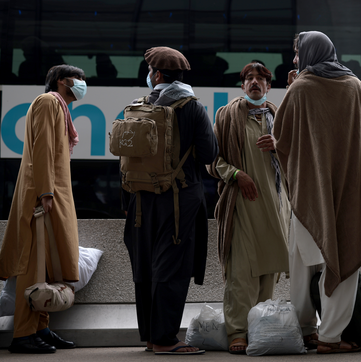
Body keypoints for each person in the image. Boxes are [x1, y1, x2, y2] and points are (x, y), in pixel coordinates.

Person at [273, 31, 361, 354]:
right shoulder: (355, 86)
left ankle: (305, 330)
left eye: (299, 53)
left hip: (309, 194)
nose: (297, 60)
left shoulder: (300, 88)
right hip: (350, 193)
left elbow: (280, 137)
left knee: (302, 264)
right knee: (343, 262)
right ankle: (331, 336)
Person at [121, 46, 218, 355]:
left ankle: (151, 336)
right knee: (172, 267)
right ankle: (166, 339)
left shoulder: (139, 105)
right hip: (179, 196)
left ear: (157, 75)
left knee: (146, 265)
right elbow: (209, 154)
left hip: (141, 199)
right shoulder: (191, 107)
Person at [0, 65, 87, 354]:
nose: (83, 84)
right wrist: (46, 192)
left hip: (51, 195)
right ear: (61, 81)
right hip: (43, 197)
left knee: (45, 267)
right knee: (32, 266)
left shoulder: (59, 106)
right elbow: (43, 148)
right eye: (79, 79)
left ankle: (41, 328)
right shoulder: (49, 101)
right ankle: (23, 334)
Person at [208, 62, 290, 354]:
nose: (255, 82)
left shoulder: (280, 118)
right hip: (243, 205)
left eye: (261, 79)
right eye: (249, 79)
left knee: (269, 272)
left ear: (269, 86)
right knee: (240, 272)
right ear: (242, 86)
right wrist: (236, 175)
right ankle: (237, 332)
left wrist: (279, 145)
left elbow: (301, 158)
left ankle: (259, 327)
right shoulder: (227, 116)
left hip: (276, 205)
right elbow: (211, 159)